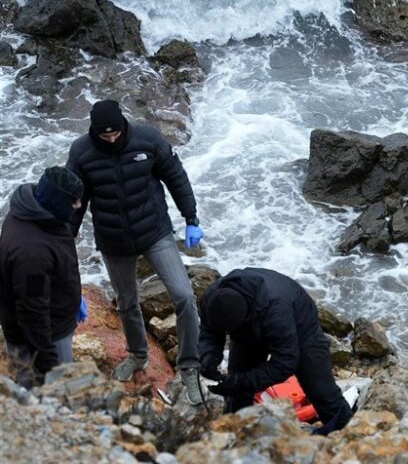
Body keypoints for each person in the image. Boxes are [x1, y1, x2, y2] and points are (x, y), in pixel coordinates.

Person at [66, 99, 205, 404]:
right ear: (94, 131)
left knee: (183, 296)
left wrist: (191, 218)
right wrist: (64, 242)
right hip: (113, 241)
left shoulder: (148, 138)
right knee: (127, 302)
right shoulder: (81, 153)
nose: (112, 139)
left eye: (116, 133)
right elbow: (75, 203)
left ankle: (190, 366)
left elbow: (175, 176)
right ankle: (137, 354)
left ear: (123, 125)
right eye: (105, 136)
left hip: (155, 231)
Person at [198, 268, 353, 434]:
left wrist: (242, 380)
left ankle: (350, 438)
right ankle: (236, 438)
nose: (229, 335)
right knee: (237, 393)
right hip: (250, 328)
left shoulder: (276, 310)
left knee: (322, 392)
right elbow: (209, 332)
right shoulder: (211, 299)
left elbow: (286, 362)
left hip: (301, 327)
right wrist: (208, 358)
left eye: (231, 332)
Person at [0, 167, 84, 388]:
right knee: (45, 394)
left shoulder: (40, 214)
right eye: (73, 201)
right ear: (57, 201)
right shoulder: (31, 253)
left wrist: (75, 298)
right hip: (43, 338)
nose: (79, 206)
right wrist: (50, 365)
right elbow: (32, 315)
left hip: (51, 322)